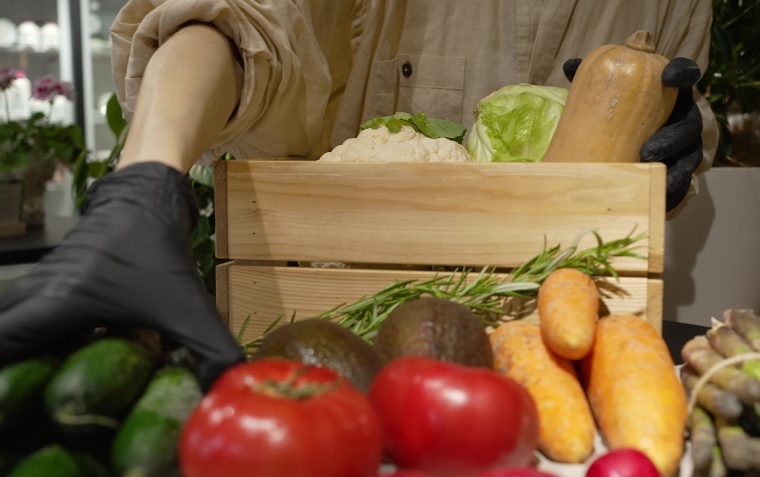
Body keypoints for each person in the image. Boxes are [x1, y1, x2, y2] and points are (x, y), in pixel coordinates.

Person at [0, 1, 716, 390]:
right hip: (319, 363)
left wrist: (684, 137)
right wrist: (145, 178)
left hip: (563, 369)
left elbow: (681, 117)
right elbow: (238, 22)